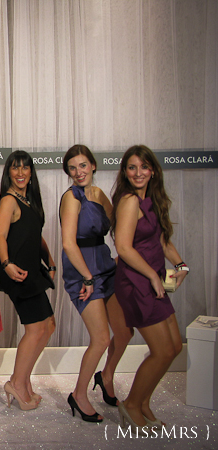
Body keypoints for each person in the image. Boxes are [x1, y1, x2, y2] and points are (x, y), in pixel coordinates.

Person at [111, 145, 187, 429]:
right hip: (136, 283)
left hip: (154, 279)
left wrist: (181, 265)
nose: (138, 172)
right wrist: (153, 277)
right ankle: (131, 404)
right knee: (162, 350)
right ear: (125, 172)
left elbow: (161, 240)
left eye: (144, 167)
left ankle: (142, 402)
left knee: (174, 347)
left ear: (153, 170)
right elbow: (123, 247)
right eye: (132, 167)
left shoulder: (152, 199)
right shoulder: (129, 200)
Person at [59, 145, 133, 423]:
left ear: (93, 165)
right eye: (72, 168)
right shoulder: (71, 197)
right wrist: (88, 277)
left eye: (83, 165)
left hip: (105, 265)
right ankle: (78, 395)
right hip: (82, 271)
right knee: (101, 338)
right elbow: (68, 243)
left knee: (124, 332)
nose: (78, 172)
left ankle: (107, 376)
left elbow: (118, 225)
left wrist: (125, 253)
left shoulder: (99, 193)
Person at [0, 150, 56, 411]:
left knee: (48, 326)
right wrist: (6, 264)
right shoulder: (9, 200)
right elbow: (0, 235)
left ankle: (24, 379)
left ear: (31, 172)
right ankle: (16, 384)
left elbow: (35, 235)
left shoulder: (29, 200)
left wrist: (50, 261)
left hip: (33, 271)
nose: (20, 173)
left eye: (25, 167)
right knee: (35, 330)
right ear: (8, 172)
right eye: (15, 167)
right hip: (18, 273)